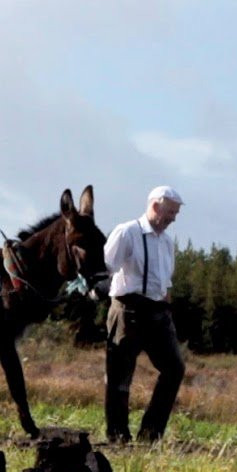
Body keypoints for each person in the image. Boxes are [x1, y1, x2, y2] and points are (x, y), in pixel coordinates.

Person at [103, 185, 185, 443]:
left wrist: (167, 310)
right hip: (128, 309)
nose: (173, 218)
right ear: (155, 206)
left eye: (176, 213)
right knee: (119, 375)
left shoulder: (168, 242)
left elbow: (165, 283)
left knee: (174, 369)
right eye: (170, 212)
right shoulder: (127, 232)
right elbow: (106, 267)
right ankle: (118, 436)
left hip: (157, 313)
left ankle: (150, 435)